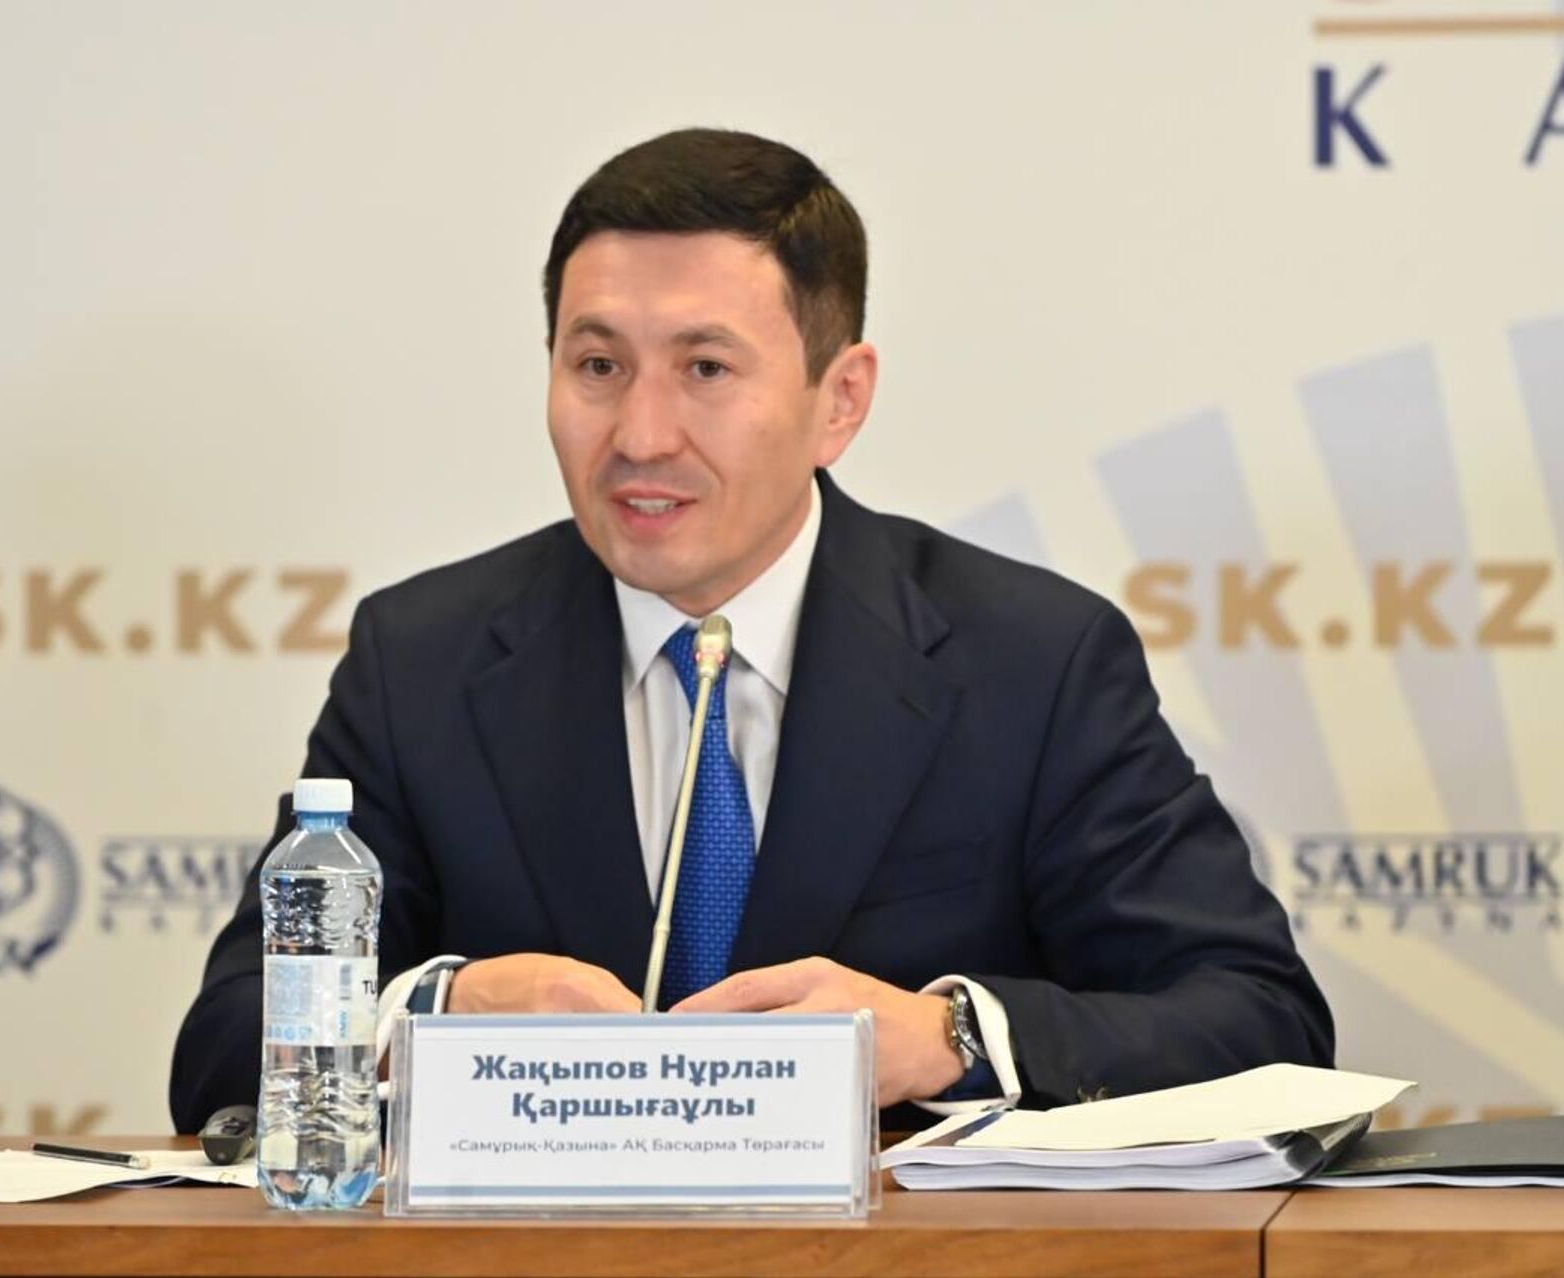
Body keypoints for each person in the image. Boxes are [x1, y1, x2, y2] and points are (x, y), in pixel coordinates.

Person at [170, 127, 1332, 1134]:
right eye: (597, 365)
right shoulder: (422, 661)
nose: (641, 435)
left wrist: (949, 1039)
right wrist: (442, 1012)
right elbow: (223, 1049)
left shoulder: (1029, 662)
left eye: (706, 368)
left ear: (841, 400)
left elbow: (1259, 1020)